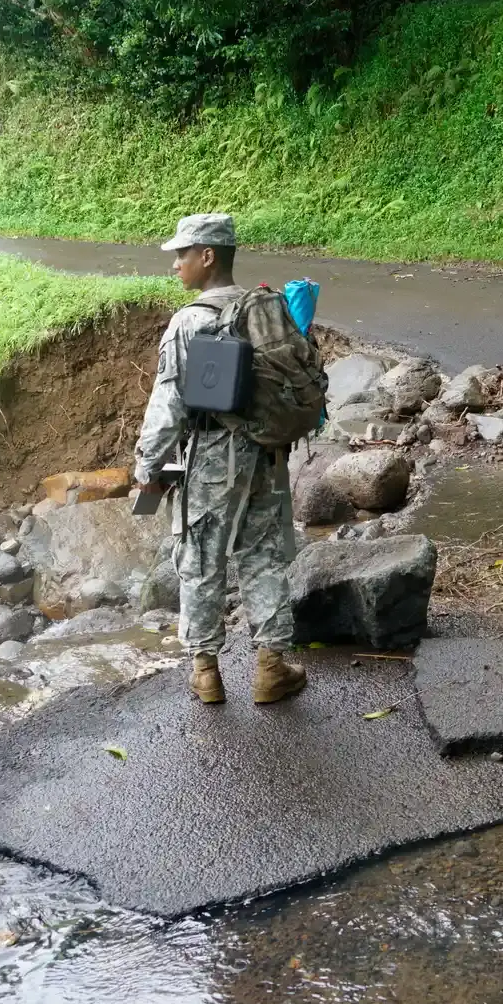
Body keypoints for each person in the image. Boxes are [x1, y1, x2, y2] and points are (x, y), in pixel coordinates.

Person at [131, 213, 305, 705]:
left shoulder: (189, 321)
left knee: (201, 556)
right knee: (263, 553)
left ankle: (206, 672)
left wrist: (148, 468)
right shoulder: (268, 309)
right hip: (268, 455)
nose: (176, 266)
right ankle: (271, 668)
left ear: (208, 256)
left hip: (211, 455)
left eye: (181, 255)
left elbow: (168, 406)